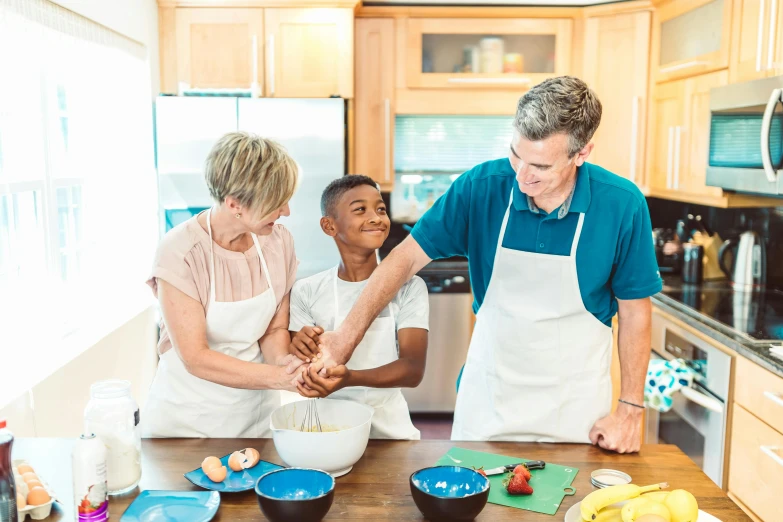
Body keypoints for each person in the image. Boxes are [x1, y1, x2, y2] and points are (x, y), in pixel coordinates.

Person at [312, 76, 662, 452]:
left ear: (582, 154)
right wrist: (344, 337)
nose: (522, 175)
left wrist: (630, 409)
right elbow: (405, 258)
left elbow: (635, 312)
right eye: (516, 154)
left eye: (540, 166)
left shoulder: (622, 205)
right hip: (489, 401)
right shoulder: (481, 186)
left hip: (574, 410)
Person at [143, 132, 305, 438]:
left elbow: (273, 330)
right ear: (234, 204)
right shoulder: (181, 252)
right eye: (276, 203)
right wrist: (277, 377)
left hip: (256, 421)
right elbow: (195, 357)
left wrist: (287, 365)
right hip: (187, 424)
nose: (286, 212)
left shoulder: (278, 242)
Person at [288, 175, 428, 440]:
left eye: (380, 209)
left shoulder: (410, 287)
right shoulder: (307, 290)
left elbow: (412, 370)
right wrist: (298, 346)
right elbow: (301, 366)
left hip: (390, 432)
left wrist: (350, 377)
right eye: (360, 210)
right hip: (325, 430)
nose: (376, 217)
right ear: (329, 226)